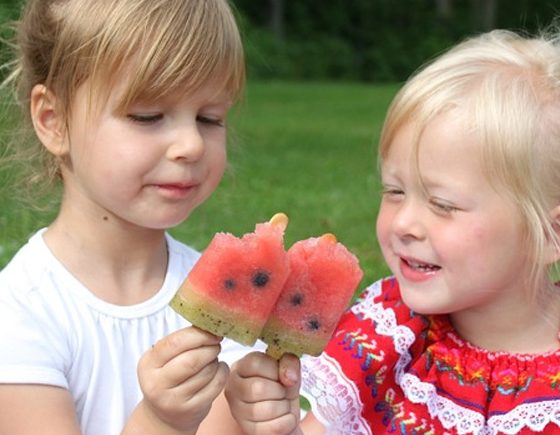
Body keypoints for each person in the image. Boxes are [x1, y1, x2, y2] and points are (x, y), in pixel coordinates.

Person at [224, 28, 560, 434]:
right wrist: (263, 422)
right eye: (395, 191)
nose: (403, 223)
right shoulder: (389, 333)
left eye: (443, 205)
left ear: (550, 235)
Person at [0, 0, 261, 434]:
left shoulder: (219, 293)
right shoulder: (20, 313)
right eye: (148, 116)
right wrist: (162, 421)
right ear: (54, 120)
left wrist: (259, 419)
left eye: (209, 118)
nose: (191, 145)